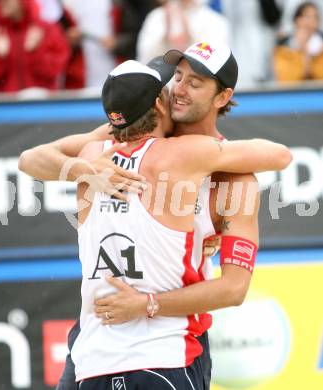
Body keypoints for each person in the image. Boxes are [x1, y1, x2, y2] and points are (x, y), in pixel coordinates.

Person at [18, 42, 292, 389]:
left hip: (168, 337)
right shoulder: (132, 132)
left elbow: (235, 288)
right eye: (177, 77)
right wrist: (83, 171)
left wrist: (147, 305)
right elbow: (32, 158)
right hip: (101, 335)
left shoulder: (234, 176)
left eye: (195, 83)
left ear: (222, 97)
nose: (179, 88)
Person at [0, 0, 70, 92]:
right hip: (6, 104)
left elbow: (56, 70)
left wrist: (36, 52)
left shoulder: (47, 29)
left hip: (42, 102)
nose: (1, 3)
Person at [136, 0, 229, 64]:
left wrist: (190, 40)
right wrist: (165, 39)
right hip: (161, 88)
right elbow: (144, 60)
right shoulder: (156, 17)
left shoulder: (215, 20)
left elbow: (215, 61)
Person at [274, 1, 323, 82]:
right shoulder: (283, 46)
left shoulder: (321, 46)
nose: (311, 22)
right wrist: (302, 51)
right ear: (297, 19)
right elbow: (286, 78)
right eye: (307, 16)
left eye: (315, 17)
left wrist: (309, 55)